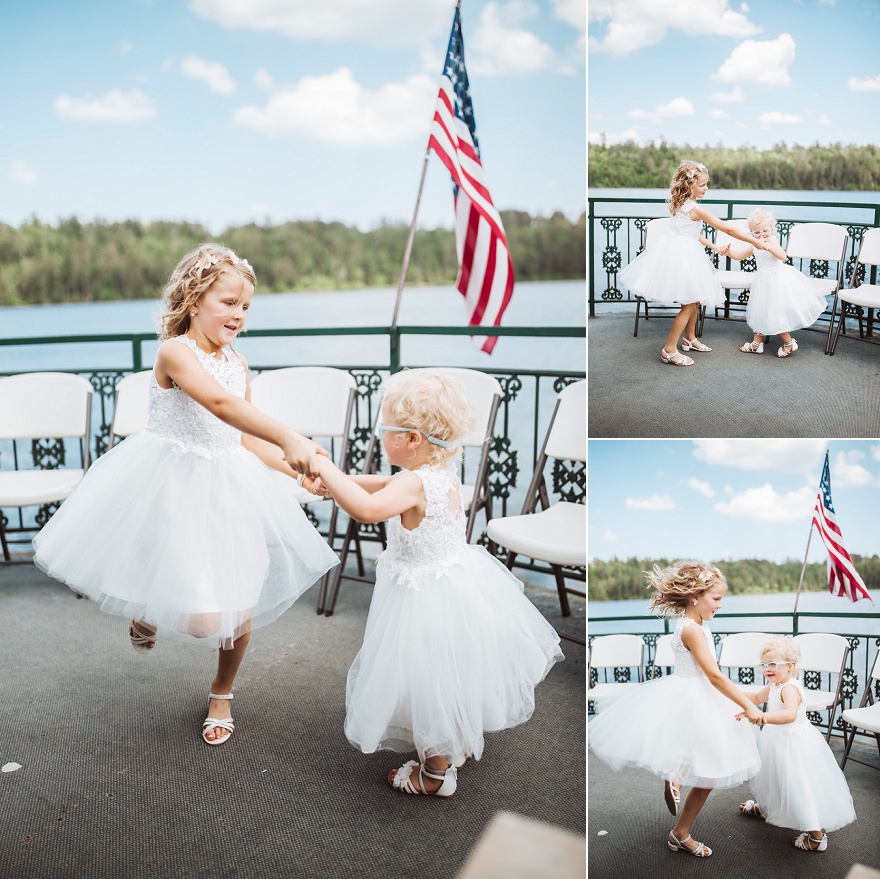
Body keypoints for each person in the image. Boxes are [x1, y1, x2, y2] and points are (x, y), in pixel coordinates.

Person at [33, 243, 339, 746]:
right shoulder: (174, 352)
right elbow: (218, 405)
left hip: (229, 487)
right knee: (200, 621)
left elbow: (241, 434)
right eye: (227, 302)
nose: (238, 314)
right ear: (194, 301)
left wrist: (294, 469)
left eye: (245, 306)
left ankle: (223, 691)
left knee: (237, 602)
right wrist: (293, 436)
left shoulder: (238, 363)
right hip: (173, 485)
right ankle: (148, 607)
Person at [304, 369, 563, 797]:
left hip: (420, 597)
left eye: (384, 429)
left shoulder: (410, 481)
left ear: (412, 440)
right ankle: (454, 739)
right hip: (457, 587)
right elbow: (382, 486)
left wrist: (326, 470)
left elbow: (369, 509)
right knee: (450, 672)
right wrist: (337, 487)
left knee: (422, 679)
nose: (379, 435)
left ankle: (436, 774)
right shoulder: (441, 472)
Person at [588, 561, 762, 858]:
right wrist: (747, 703)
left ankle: (679, 819)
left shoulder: (695, 625)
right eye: (716, 599)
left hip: (694, 694)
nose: (720, 606)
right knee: (706, 763)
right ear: (695, 597)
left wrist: (749, 698)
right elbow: (715, 675)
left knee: (706, 768)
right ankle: (677, 792)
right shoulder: (692, 630)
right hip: (699, 696)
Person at [619, 160, 765, 366]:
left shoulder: (680, 204)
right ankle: (669, 349)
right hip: (682, 258)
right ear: (689, 185)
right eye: (702, 184)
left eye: (707, 184)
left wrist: (714, 248)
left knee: (695, 300)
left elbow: (691, 234)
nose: (706, 188)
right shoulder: (697, 209)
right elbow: (728, 229)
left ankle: (690, 338)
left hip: (680, 252)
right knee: (689, 305)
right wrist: (754, 240)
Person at [736, 636, 856, 851]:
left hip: (792, 743)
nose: (767, 669)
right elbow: (754, 696)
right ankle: (767, 807)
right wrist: (730, 695)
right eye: (764, 665)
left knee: (797, 784)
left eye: (773, 664)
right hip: (775, 740)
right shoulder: (774, 684)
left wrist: (763, 717)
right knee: (773, 777)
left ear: (791, 666)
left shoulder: (788, 688)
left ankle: (816, 837)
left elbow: (790, 714)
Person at [722, 210, 829, 358]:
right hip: (762, 281)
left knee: (773, 314)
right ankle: (756, 343)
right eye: (756, 232)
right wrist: (729, 252)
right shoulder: (754, 244)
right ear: (751, 233)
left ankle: (789, 343)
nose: (761, 235)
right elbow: (740, 256)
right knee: (760, 310)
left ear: (772, 229)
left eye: (765, 230)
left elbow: (782, 256)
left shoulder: (771, 240)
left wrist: (767, 246)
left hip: (776, 280)